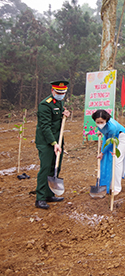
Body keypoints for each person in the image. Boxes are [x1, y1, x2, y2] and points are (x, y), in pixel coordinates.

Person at [35, 80, 71, 209]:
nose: (61, 94)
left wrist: (65, 114)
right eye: (58, 92)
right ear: (52, 91)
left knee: (55, 167)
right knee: (45, 168)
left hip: (58, 140)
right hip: (46, 141)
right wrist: (53, 143)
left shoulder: (59, 102)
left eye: (63, 93)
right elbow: (45, 126)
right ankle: (40, 198)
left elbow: (57, 118)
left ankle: (49, 194)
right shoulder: (45, 105)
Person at [92, 109, 125, 195]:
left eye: (101, 122)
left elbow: (109, 142)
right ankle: (109, 184)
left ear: (106, 120)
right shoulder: (102, 125)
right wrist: (100, 131)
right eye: (97, 122)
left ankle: (117, 187)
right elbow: (105, 134)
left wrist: (102, 152)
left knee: (117, 160)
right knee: (108, 160)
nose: (99, 124)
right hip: (112, 138)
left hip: (121, 138)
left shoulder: (112, 127)